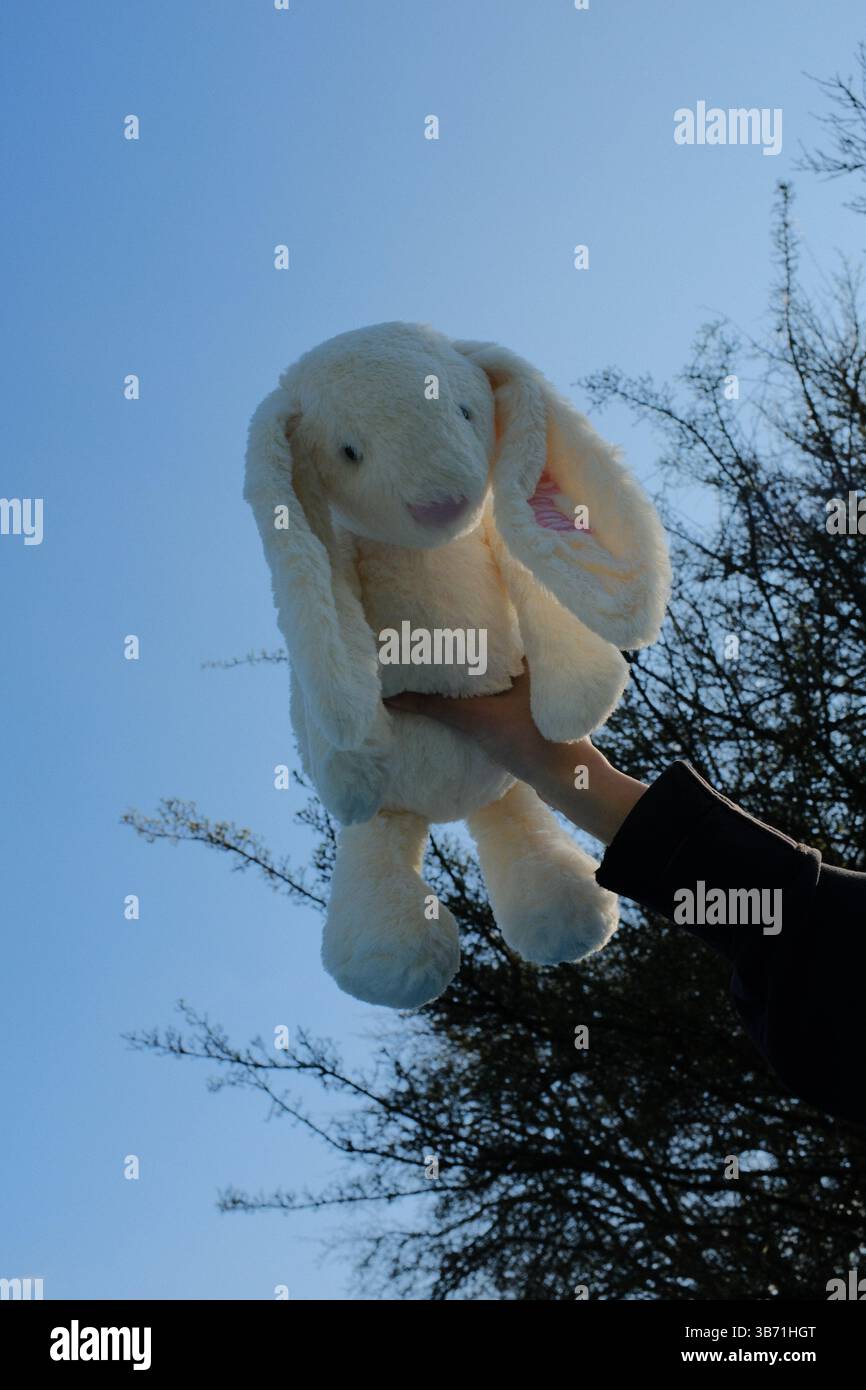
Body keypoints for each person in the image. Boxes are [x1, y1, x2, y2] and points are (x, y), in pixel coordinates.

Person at [385, 670, 865, 1127]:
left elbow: (803, 928)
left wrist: (566, 768)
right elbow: (801, 924)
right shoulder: (820, 1037)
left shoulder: (822, 1038)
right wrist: (568, 769)